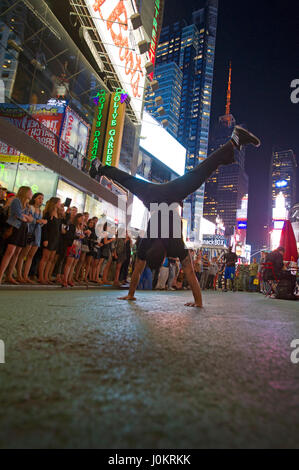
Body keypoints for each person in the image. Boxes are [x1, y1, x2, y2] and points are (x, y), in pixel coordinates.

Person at [92, 126, 261, 307]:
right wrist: (130, 294)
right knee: (129, 180)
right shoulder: (146, 243)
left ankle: (234, 140)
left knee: (201, 172)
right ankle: (100, 167)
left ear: (164, 253)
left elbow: (188, 272)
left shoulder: (173, 244)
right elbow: (138, 270)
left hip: (171, 195)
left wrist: (198, 302)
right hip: (156, 195)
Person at [0, 186, 33, 284]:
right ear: (25, 192)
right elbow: (19, 216)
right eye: (30, 192)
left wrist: (25, 217)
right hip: (15, 227)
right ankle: (1, 275)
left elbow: (31, 219)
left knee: (17, 253)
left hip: (23, 228)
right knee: (9, 251)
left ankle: (9, 275)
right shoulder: (16, 201)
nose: (31, 194)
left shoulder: (27, 205)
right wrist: (26, 217)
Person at [16, 193, 47, 284]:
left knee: (31, 256)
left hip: (37, 233)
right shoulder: (30, 207)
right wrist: (37, 221)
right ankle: (19, 275)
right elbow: (27, 219)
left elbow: (39, 223)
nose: (41, 200)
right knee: (23, 255)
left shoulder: (41, 211)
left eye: (42, 198)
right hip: (29, 231)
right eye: (39, 198)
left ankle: (25, 275)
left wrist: (42, 222)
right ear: (34, 199)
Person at [38, 197, 61, 284]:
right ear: (55, 203)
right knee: (45, 258)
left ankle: (46, 277)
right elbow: (45, 228)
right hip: (49, 237)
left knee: (51, 259)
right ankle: (41, 277)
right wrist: (46, 238)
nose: (60, 204)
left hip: (56, 238)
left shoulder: (58, 214)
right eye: (59, 202)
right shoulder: (48, 213)